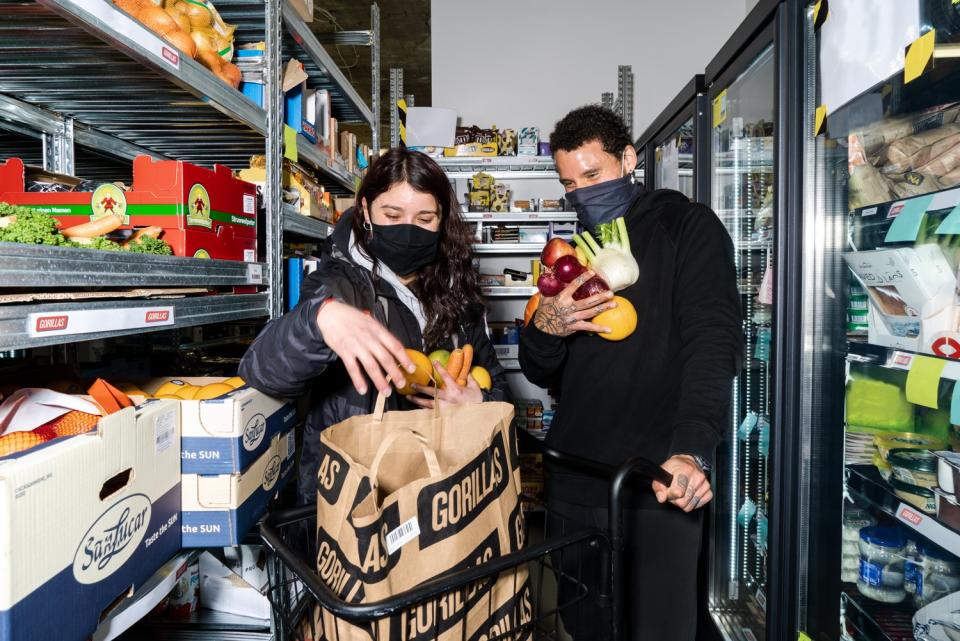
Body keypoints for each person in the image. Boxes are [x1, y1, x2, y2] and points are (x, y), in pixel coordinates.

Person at [519, 106, 742, 640]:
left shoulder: (686, 227)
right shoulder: (569, 255)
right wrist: (547, 328)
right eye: (570, 183)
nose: (582, 193)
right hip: (574, 478)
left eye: (593, 175)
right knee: (585, 624)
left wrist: (691, 449)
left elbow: (713, 343)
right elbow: (538, 369)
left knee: (659, 627)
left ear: (629, 158)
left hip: (655, 483)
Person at [240, 148, 510, 506]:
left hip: (447, 495)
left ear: (443, 220)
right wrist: (318, 319)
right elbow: (261, 372)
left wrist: (480, 402)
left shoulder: (457, 292)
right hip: (357, 501)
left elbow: (500, 389)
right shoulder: (337, 286)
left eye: (425, 218)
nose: (408, 229)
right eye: (392, 214)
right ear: (366, 211)